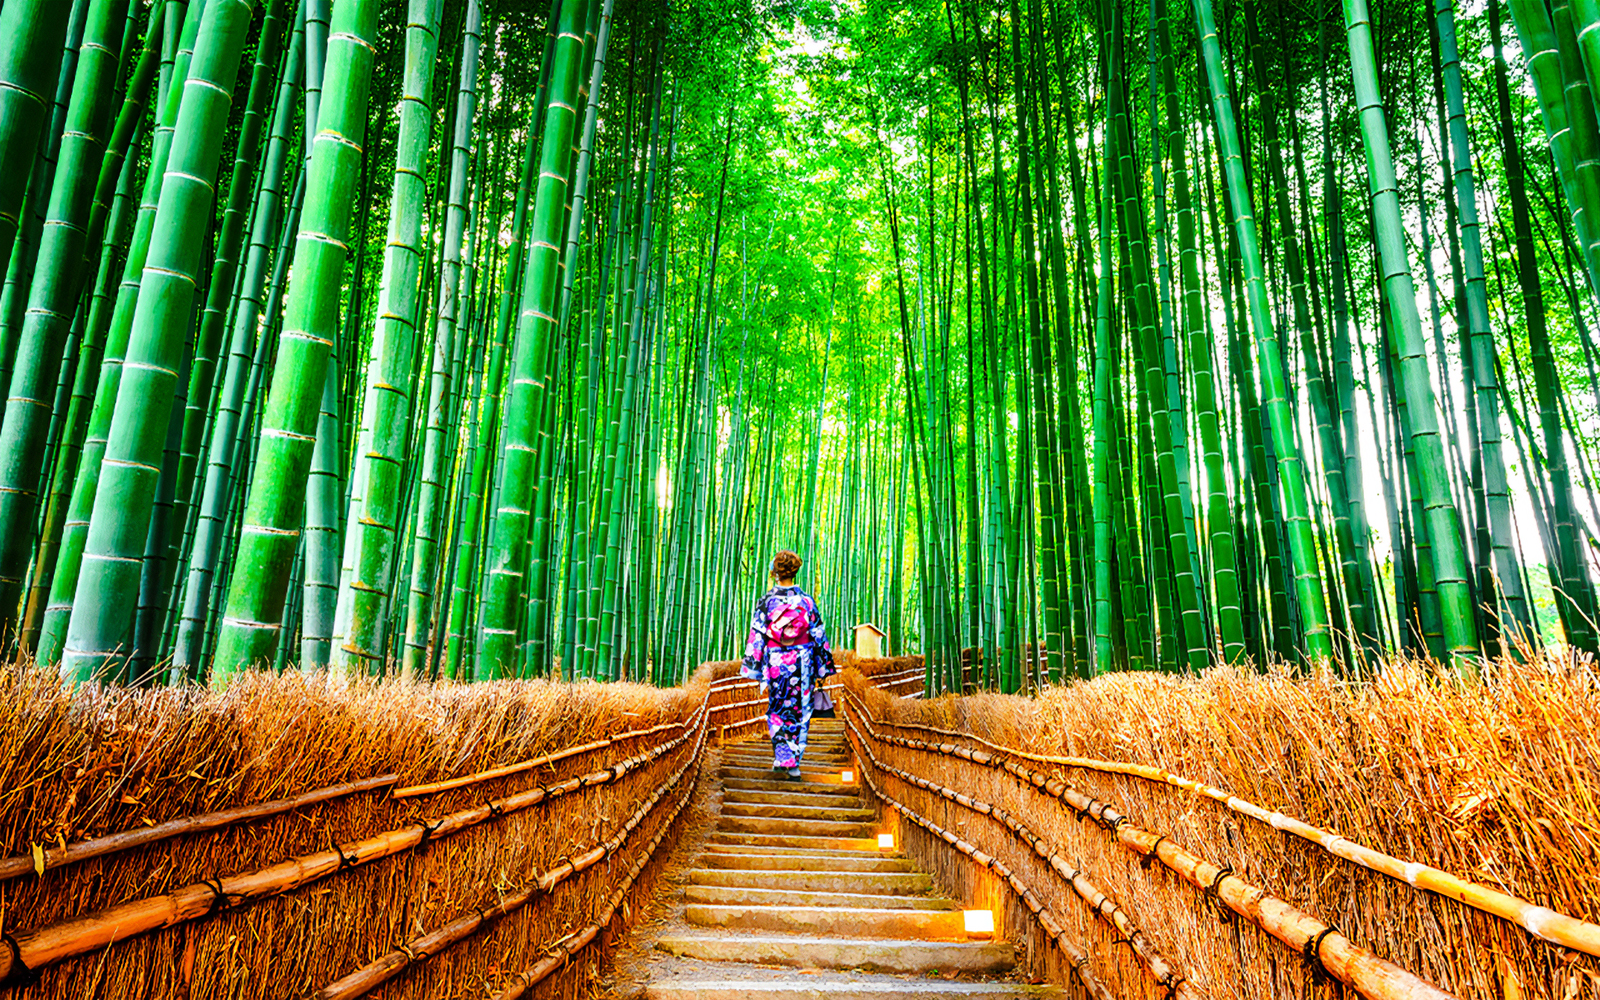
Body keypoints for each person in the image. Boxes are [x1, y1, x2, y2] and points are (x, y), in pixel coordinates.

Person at [739, 550, 835, 779]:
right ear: (795, 571)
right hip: (802, 662)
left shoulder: (766, 601)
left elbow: (758, 635)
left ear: (775, 572)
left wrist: (753, 665)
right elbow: (818, 634)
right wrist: (823, 666)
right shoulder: (806, 601)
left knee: (777, 708)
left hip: (775, 662)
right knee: (801, 710)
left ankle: (782, 756)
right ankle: (794, 763)